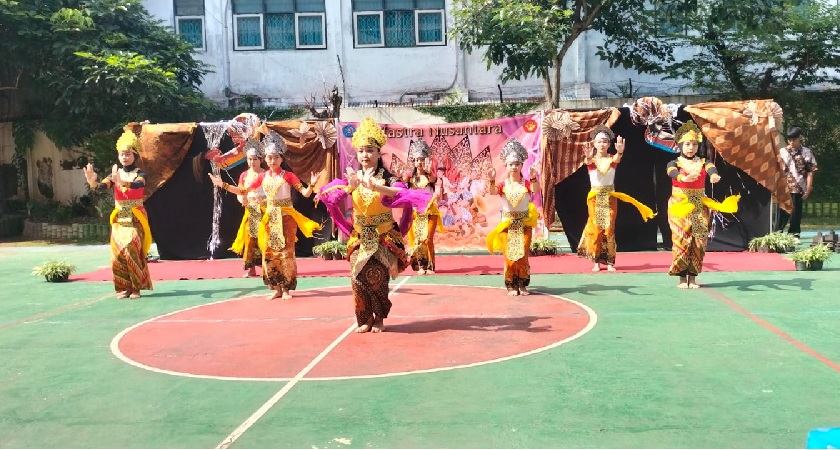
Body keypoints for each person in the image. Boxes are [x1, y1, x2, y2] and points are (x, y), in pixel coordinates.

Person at [318, 118, 431, 333]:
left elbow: (402, 192)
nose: (365, 155)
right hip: (360, 235)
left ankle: (379, 318)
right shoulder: (353, 177)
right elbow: (330, 198)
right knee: (357, 277)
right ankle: (364, 317)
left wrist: (378, 187)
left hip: (383, 235)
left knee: (378, 278)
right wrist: (349, 188)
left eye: (370, 150)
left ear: (379, 153)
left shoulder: (387, 178)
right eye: (361, 151)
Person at [210, 131, 321, 300]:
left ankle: (286, 289)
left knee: (286, 253)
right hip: (270, 218)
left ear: (281, 159)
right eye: (269, 157)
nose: (272, 161)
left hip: (286, 217)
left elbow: (305, 194)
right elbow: (243, 191)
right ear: (266, 159)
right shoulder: (262, 177)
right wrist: (223, 185)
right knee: (269, 253)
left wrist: (311, 185)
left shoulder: (288, 175)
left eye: (276, 157)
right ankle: (276, 288)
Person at [666, 121, 740, 289]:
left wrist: (714, 176)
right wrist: (683, 178)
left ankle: (692, 278)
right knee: (682, 240)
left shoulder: (704, 162)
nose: (691, 147)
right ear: (680, 145)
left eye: (694, 144)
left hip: (699, 205)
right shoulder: (674, 163)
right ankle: (681, 278)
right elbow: (671, 172)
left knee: (699, 242)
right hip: (680, 205)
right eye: (687, 144)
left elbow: (711, 168)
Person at [82, 130, 153, 299]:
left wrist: (122, 182)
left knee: (132, 249)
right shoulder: (114, 174)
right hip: (120, 217)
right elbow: (103, 186)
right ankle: (125, 288)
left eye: (128, 154)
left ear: (134, 155)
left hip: (135, 216)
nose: (124, 157)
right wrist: (93, 182)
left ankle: (136, 288)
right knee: (118, 253)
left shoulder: (140, 174)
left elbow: (137, 185)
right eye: (122, 154)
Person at [577, 125, 656, 272]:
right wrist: (588, 156)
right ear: (594, 143)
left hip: (609, 198)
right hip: (595, 198)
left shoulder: (612, 159)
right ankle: (596, 262)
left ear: (609, 144)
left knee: (609, 229)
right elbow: (588, 163)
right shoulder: (591, 160)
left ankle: (609, 262)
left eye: (605, 141)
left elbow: (617, 158)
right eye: (599, 141)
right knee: (596, 229)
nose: (602, 144)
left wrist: (620, 152)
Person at [485, 138, 540, 296]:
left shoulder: (527, 183)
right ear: (506, 166)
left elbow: (535, 189)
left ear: (522, 165)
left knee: (522, 256)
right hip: (507, 225)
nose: (514, 167)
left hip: (524, 224)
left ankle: (522, 285)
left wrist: (534, 177)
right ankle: (511, 285)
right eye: (511, 164)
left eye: (517, 164)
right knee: (510, 257)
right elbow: (493, 192)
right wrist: (491, 179)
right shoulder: (503, 185)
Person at [403, 140, 443, 275]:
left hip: (430, 212)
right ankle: (421, 265)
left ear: (426, 160)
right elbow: (402, 189)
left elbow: (433, 180)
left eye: (421, 159)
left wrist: (429, 171)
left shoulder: (430, 176)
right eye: (417, 160)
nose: (419, 162)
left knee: (428, 238)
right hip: (416, 213)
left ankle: (430, 266)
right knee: (419, 240)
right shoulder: (410, 179)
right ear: (414, 162)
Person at [228, 139, 266, 278]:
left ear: (261, 159)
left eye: (255, 159)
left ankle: (267, 268)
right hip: (250, 210)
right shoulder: (244, 175)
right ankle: (251, 269)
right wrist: (241, 199)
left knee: (264, 238)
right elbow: (240, 191)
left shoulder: (266, 174)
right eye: (249, 159)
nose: (252, 162)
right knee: (250, 239)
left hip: (264, 210)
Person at [775, 127, 818, 241]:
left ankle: (794, 234)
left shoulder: (807, 152)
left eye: (794, 140)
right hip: (784, 187)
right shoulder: (783, 152)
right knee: (782, 211)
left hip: (799, 188)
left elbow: (810, 172)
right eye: (789, 140)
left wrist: (808, 190)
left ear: (799, 138)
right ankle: (777, 233)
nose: (791, 142)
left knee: (796, 213)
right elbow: (777, 169)